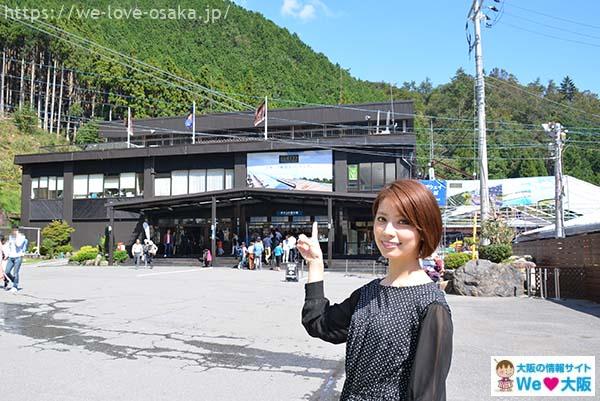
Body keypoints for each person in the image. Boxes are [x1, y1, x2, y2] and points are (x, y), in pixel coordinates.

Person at [300, 180, 453, 400]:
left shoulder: (432, 306)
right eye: (382, 219)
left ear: (424, 229)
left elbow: (427, 395)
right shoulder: (368, 293)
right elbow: (319, 324)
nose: (388, 231)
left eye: (403, 221)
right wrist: (315, 264)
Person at [5, 225, 28, 293]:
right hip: (11, 257)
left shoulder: (22, 237)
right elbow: (9, 246)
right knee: (7, 271)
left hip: (18, 257)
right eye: (12, 230)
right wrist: (7, 254)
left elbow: (18, 245)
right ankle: (14, 280)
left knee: (15, 272)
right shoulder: (10, 236)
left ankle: (15, 286)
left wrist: (15, 238)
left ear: (17, 230)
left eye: (14, 230)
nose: (13, 232)